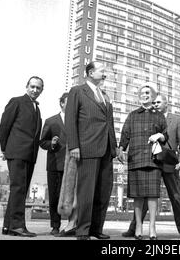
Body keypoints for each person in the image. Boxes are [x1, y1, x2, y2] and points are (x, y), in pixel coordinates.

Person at [122, 93, 180, 240]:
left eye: (159, 102)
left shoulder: (176, 120)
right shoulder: (148, 116)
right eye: (154, 102)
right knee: (145, 195)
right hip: (151, 161)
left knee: (176, 196)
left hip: (168, 162)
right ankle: (134, 228)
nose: (156, 104)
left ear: (166, 103)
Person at [65, 61, 118, 240]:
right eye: (101, 71)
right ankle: (83, 230)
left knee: (103, 191)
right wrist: (73, 145)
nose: (104, 73)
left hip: (107, 150)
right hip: (87, 147)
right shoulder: (77, 91)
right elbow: (70, 120)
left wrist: (115, 147)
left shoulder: (104, 95)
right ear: (90, 72)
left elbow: (108, 122)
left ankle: (96, 229)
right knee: (86, 191)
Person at [118, 84, 167, 240]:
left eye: (147, 93)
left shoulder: (159, 115)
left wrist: (160, 135)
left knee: (153, 196)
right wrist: (121, 149)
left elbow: (166, 135)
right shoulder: (132, 115)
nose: (144, 95)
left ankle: (152, 227)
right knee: (137, 196)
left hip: (153, 160)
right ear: (138, 96)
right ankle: (138, 226)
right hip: (136, 158)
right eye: (142, 93)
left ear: (152, 96)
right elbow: (125, 134)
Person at [0, 76, 44, 237]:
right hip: (17, 152)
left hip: (30, 155)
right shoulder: (16, 101)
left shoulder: (37, 108)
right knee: (18, 188)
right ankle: (17, 226)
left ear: (41, 90)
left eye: (38, 88)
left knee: (19, 190)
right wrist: (4, 149)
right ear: (26, 87)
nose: (35, 90)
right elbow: (4, 126)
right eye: (32, 86)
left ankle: (8, 226)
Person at [39, 92, 69, 236]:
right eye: (68, 102)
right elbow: (42, 142)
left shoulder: (78, 121)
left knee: (72, 197)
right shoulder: (51, 121)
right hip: (55, 164)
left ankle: (71, 225)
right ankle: (55, 225)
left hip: (73, 164)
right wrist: (51, 143)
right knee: (54, 196)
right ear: (62, 103)